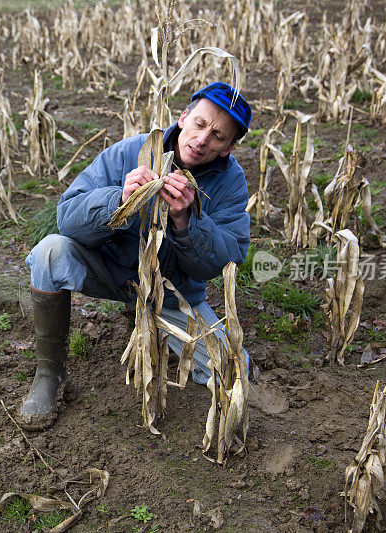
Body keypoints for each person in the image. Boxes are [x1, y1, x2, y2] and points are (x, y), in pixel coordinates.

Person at [19, 82, 252, 430]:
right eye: (201, 124)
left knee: (236, 371)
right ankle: (49, 374)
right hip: (109, 271)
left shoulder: (231, 183)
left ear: (228, 148)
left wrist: (187, 222)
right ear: (184, 117)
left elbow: (223, 260)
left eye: (218, 136)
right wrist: (119, 201)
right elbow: (67, 217)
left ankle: (149, 318)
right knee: (50, 253)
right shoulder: (131, 151)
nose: (203, 139)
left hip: (172, 293)